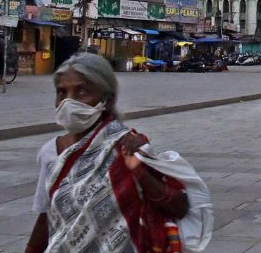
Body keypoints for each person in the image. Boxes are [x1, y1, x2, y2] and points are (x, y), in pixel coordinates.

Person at [25, 53, 198, 253]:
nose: (68, 102)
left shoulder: (127, 146)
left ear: (107, 99)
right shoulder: (49, 152)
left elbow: (179, 207)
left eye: (82, 92)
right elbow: (49, 214)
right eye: (61, 93)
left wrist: (138, 170)